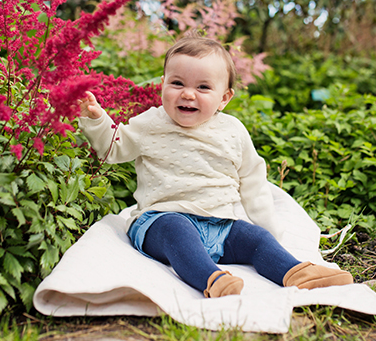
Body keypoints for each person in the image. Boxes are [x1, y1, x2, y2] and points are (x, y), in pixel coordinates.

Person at [78, 36, 352, 298]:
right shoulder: (151, 123)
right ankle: (212, 279)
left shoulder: (232, 131)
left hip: (221, 224)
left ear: (224, 98)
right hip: (160, 220)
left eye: (203, 87)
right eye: (177, 83)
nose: (188, 94)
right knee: (178, 232)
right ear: (162, 85)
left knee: (255, 239)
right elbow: (114, 147)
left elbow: (253, 183)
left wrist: (270, 232)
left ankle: (295, 273)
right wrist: (97, 119)